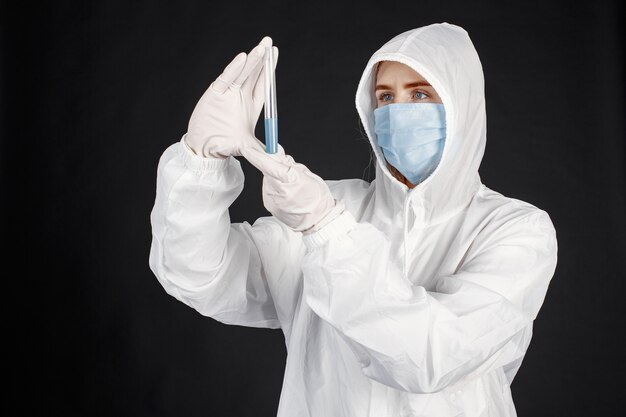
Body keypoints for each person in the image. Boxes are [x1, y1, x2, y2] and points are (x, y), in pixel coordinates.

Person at [149, 22, 558, 417]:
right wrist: (200, 162)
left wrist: (326, 229)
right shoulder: (329, 204)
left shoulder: (516, 231)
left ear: (463, 105)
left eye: (419, 95)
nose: (397, 112)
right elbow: (199, 275)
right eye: (385, 97)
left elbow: (432, 357)